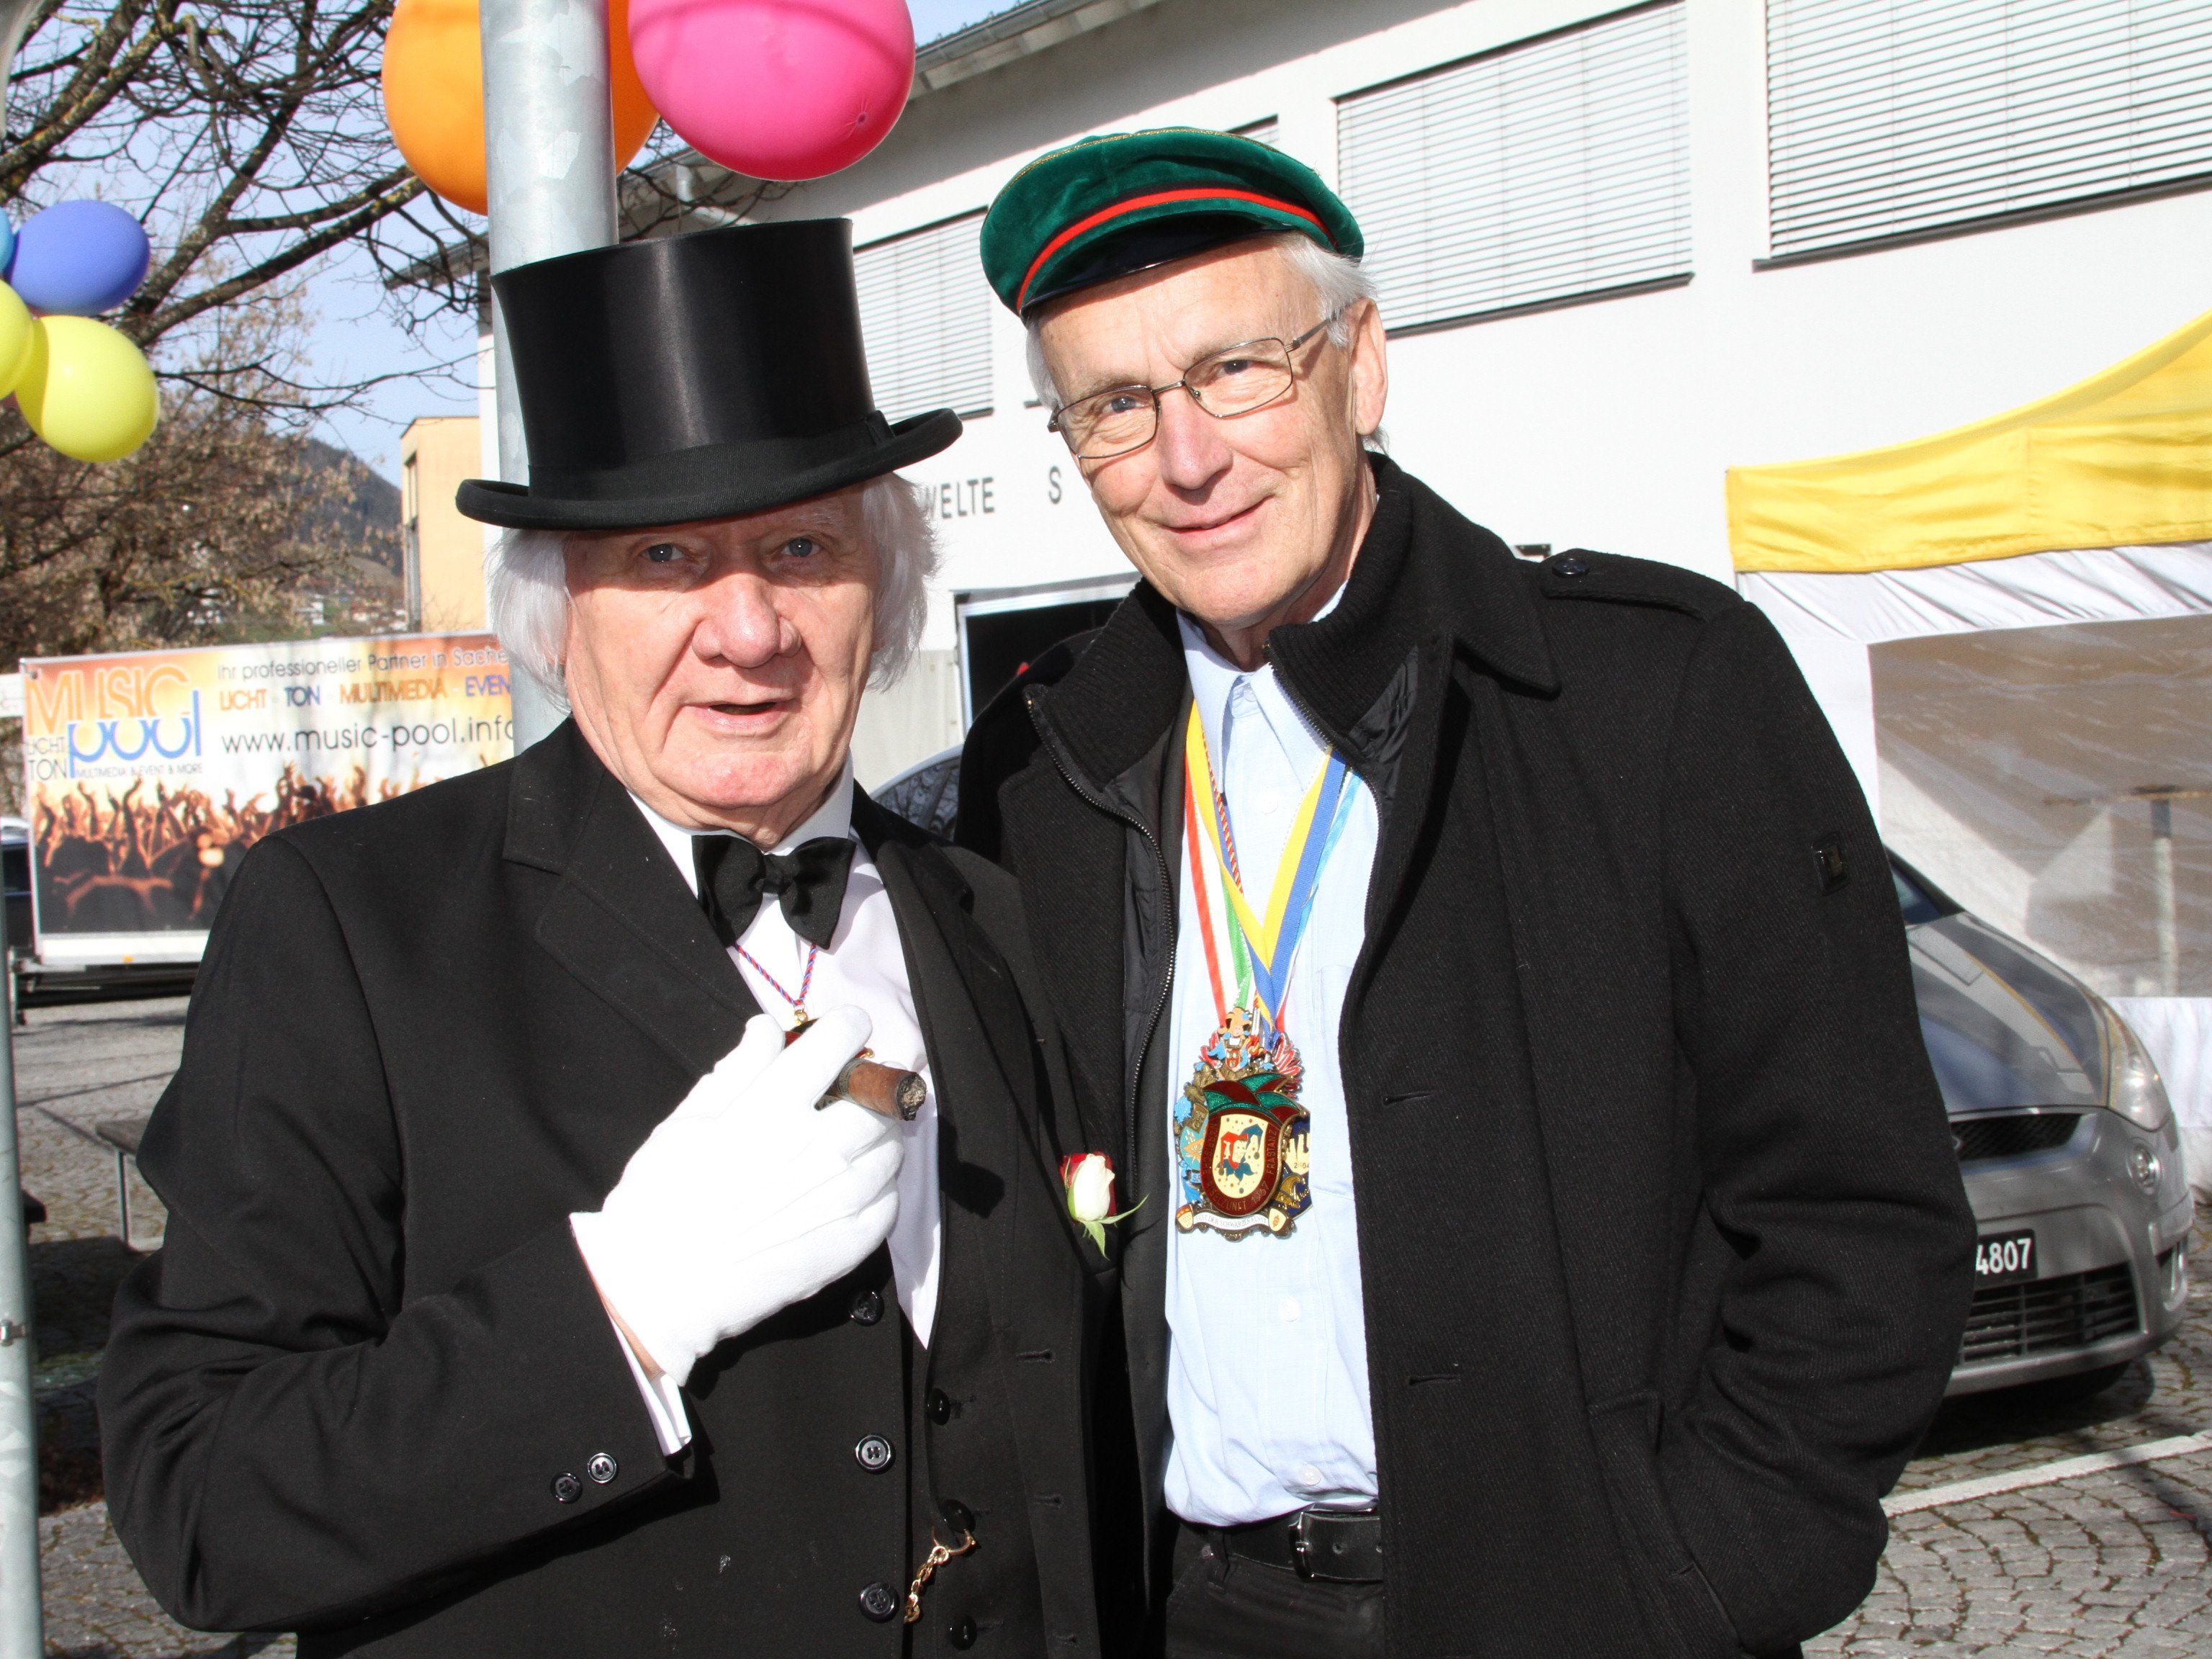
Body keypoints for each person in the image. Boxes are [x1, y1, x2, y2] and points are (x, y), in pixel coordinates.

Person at [958, 129, 1977, 1659]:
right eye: (1115, 405)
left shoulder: (1649, 689)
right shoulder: (1040, 768)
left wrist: (1703, 1571)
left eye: (1238, 369)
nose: (1186, 459)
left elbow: (1859, 1207)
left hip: (1582, 1607)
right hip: (1199, 1613)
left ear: (1358, 366)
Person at [100, 220, 1112, 1657]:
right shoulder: (349, 922)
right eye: (666, 557)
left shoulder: (995, 913)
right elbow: (204, 1506)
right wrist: (621, 1306)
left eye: (803, 547)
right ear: (558, 607)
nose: (749, 626)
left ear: (878, 586)